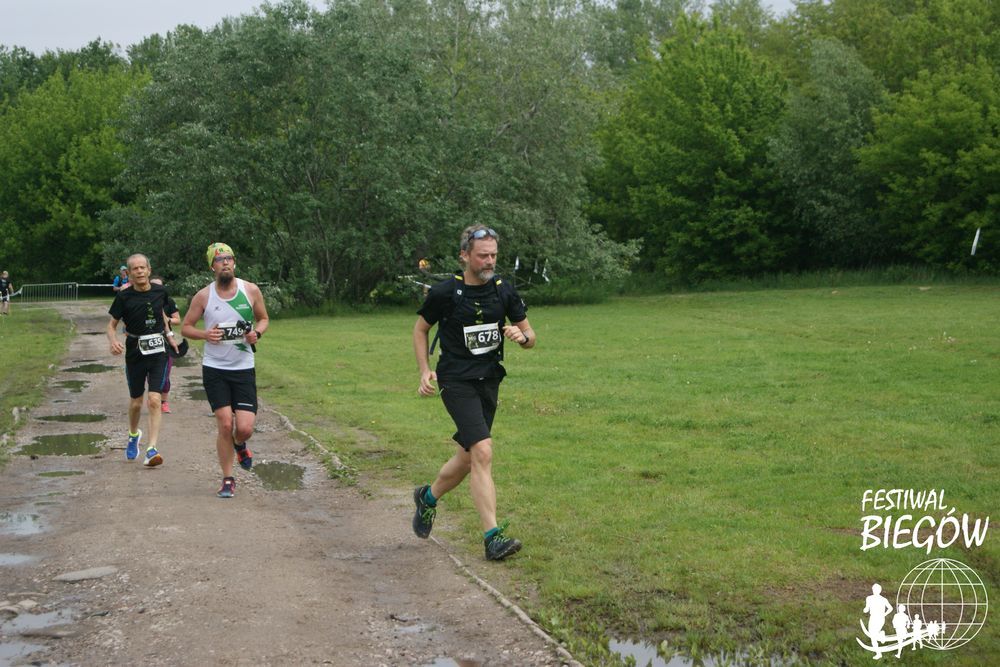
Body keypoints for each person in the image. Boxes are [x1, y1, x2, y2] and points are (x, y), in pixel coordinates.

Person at [411, 225, 536, 561]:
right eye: (483, 256)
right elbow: (421, 330)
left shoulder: (503, 290)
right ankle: (492, 537)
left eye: (493, 255)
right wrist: (424, 370)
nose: (490, 261)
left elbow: (530, 336)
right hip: (455, 381)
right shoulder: (445, 292)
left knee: (468, 458)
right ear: (464, 255)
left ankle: (427, 497)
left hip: (489, 380)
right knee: (482, 450)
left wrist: (521, 336)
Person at [181, 242, 269, 498]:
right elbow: (186, 327)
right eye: (220, 260)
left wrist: (257, 333)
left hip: (243, 368)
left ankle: (240, 444)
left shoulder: (250, 290)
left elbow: (263, 318)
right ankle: (228, 478)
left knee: (244, 428)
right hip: (215, 368)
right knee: (225, 423)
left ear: (235, 262)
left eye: (229, 258)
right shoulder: (203, 296)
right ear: (212, 266)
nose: (225, 263)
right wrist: (205, 334)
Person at [106, 254, 179, 467]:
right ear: (129, 273)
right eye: (135, 269)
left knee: (155, 399)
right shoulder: (124, 297)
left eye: (142, 267)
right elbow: (111, 325)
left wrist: (170, 338)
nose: (139, 271)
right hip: (135, 352)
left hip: (158, 351)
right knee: (136, 403)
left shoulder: (161, 292)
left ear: (149, 270)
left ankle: (152, 448)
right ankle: (133, 434)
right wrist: (113, 341)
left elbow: (164, 317)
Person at [150, 276, 181, 413]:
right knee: (150, 375)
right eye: (153, 285)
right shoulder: (143, 301)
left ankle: (164, 402)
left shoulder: (169, 301)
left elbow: (177, 320)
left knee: (165, 373)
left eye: (159, 286)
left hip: (165, 340)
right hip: (148, 341)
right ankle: (154, 399)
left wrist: (166, 319)